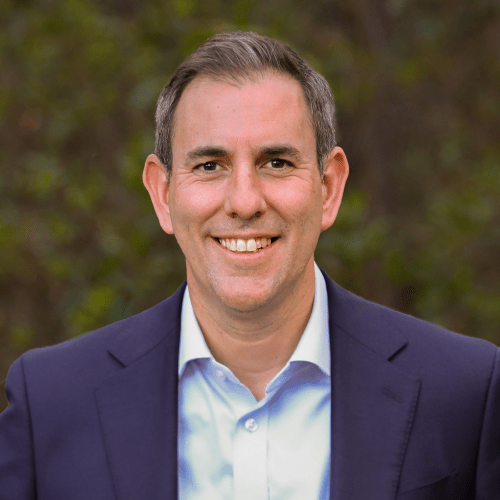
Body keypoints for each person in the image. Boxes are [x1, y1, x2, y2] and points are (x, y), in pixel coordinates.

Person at [0, 31, 499, 500]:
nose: (244, 202)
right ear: (162, 194)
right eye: (209, 165)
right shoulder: (51, 403)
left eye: (276, 163)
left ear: (328, 187)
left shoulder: (465, 393)